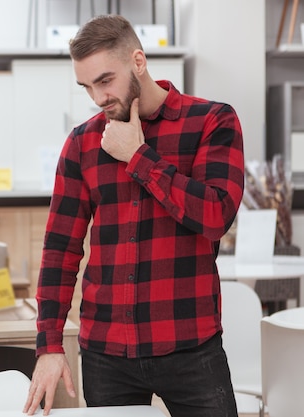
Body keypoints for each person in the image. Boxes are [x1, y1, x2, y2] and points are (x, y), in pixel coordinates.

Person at [22, 14, 245, 417]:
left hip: (191, 347)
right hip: (106, 354)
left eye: (105, 81)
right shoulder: (82, 143)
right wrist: (50, 345)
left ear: (138, 62)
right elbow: (60, 250)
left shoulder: (212, 121)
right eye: (86, 86)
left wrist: (138, 158)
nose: (97, 98)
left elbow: (216, 215)